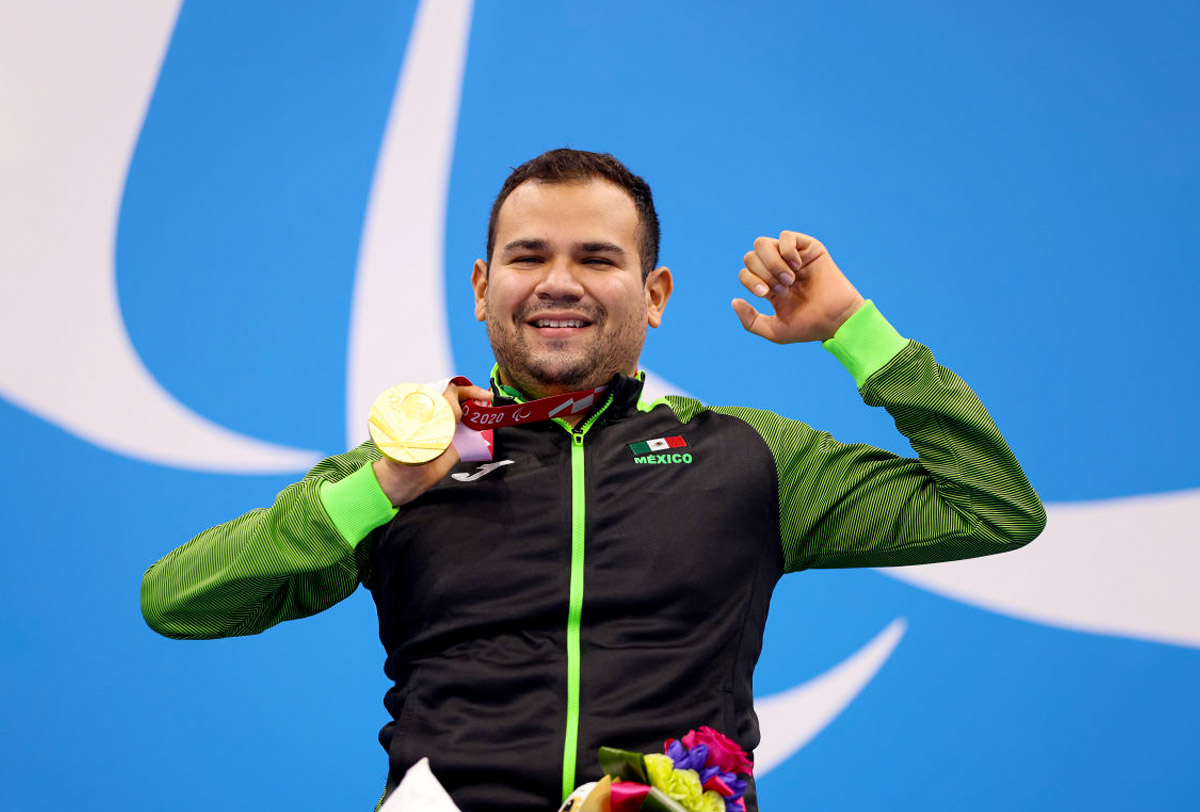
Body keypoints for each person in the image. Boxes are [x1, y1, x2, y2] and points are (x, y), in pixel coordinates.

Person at [141, 148, 1046, 812]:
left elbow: (992, 507)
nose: (559, 282)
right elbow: (176, 601)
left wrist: (853, 327)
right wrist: (378, 487)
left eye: (597, 259)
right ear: (482, 285)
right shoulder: (402, 470)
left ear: (653, 295)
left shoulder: (747, 456)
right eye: (529, 256)